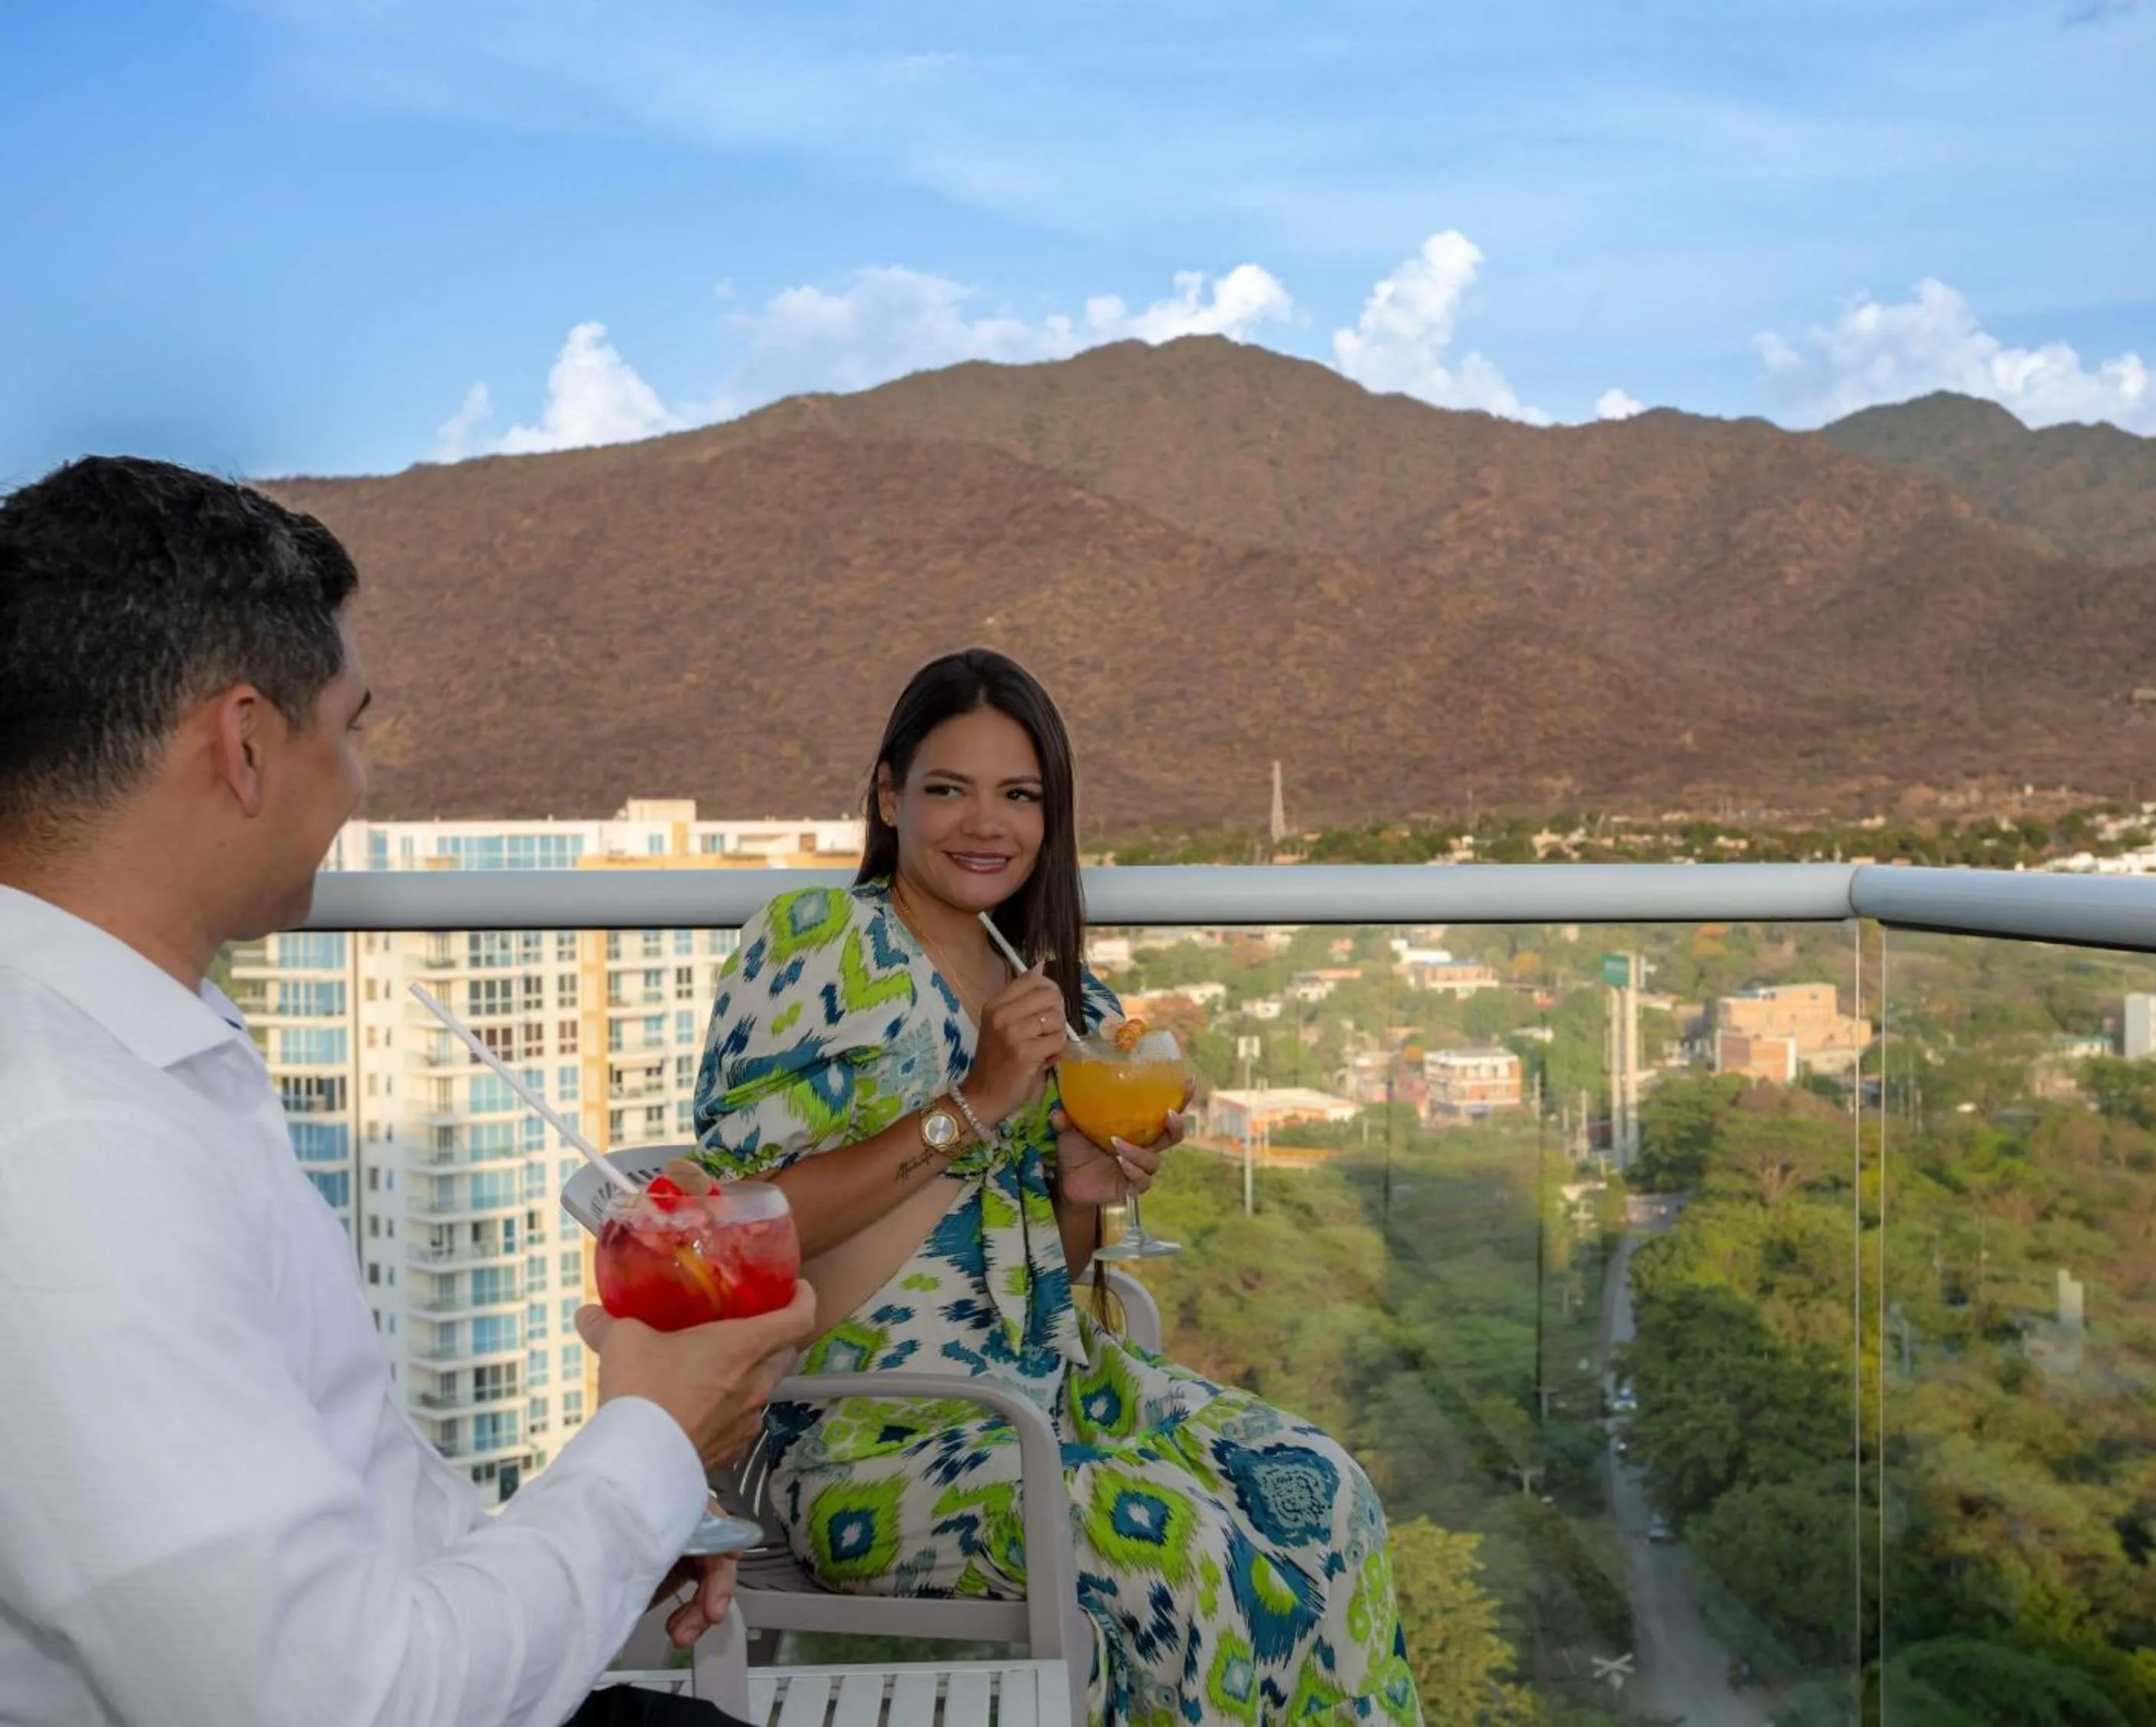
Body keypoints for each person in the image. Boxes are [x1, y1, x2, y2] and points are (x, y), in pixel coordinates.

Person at [0, 455, 817, 1726]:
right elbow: (342, 1702)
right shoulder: (67, 1144)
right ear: (250, 742)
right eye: (353, 723)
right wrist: (653, 1439)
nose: (360, 780)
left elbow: (348, 1524)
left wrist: (615, 1520)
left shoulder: (141, 1057)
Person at [692, 649, 1425, 1724]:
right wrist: (974, 1102)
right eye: (948, 789)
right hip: (868, 1432)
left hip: (1057, 1395)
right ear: (891, 797)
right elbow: (736, 1237)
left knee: (1326, 1493)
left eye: (1020, 795)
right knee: (1181, 1547)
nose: (985, 823)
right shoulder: (818, 946)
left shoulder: (1059, 992)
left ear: (1052, 816)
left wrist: (1080, 1189)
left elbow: (1050, 1283)